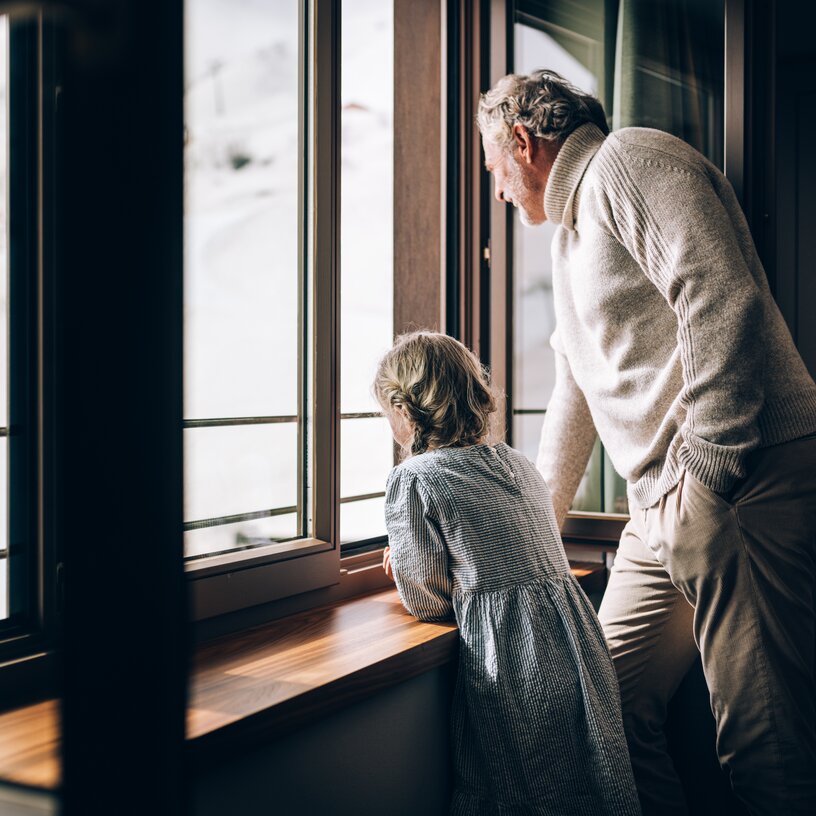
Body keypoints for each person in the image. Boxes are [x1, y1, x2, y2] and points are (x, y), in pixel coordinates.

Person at [477, 69, 816, 816]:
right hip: (664, 506)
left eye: (493, 168)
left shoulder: (627, 161)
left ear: (522, 143)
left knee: (766, 746)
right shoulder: (566, 238)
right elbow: (577, 390)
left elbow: (722, 296)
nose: (497, 190)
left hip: (739, 485)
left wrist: (710, 472)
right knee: (609, 713)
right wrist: (537, 534)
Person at [376, 331, 641, 816]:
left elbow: (427, 602)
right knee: (588, 788)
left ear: (404, 410)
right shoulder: (517, 463)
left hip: (515, 662)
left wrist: (401, 566)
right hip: (578, 647)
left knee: (520, 791)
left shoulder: (416, 478)